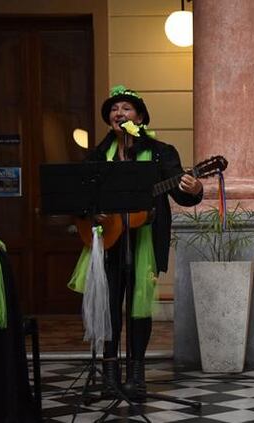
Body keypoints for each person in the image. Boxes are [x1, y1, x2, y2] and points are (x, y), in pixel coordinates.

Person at [87, 85, 203, 396]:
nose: (118, 113)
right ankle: (110, 373)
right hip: (110, 240)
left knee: (139, 307)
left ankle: (136, 374)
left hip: (145, 239)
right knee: (110, 305)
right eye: (114, 109)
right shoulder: (98, 155)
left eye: (126, 108)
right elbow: (85, 195)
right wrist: (93, 214)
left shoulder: (162, 152)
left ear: (139, 117)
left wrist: (192, 189)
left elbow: (179, 190)